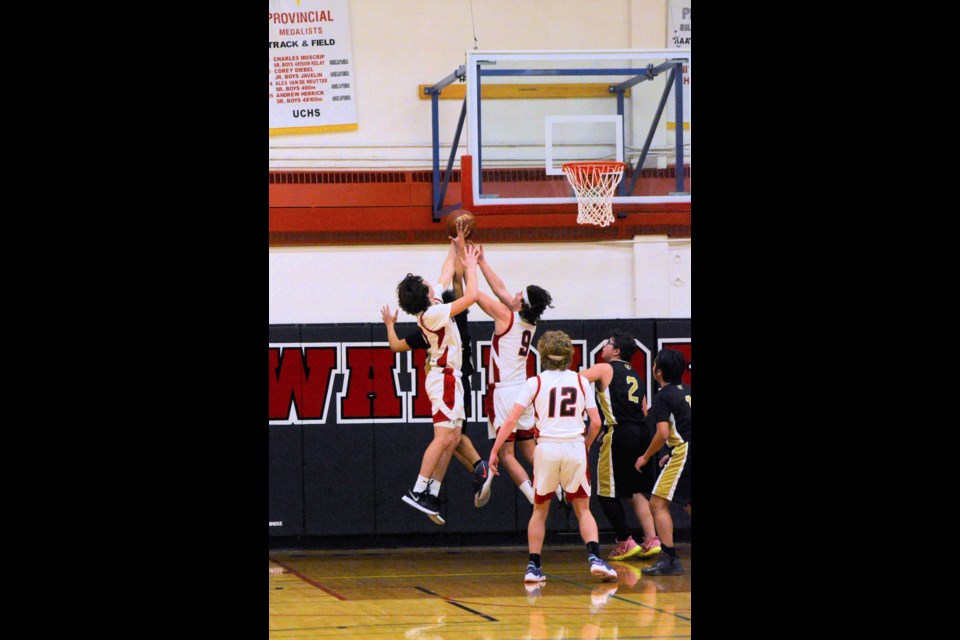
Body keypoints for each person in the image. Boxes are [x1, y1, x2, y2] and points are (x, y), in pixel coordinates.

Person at [488, 330, 618, 583]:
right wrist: (586, 445)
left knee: (539, 510)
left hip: (546, 448)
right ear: (569, 355)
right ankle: (594, 558)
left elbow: (511, 420)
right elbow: (595, 422)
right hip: (574, 447)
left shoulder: (534, 382)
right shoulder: (581, 381)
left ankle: (534, 567)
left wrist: (494, 451)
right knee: (583, 509)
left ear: (543, 355)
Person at [380, 243, 493, 509]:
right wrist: (471, 265)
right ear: (425, 292)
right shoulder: (433, 314)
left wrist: (454, 248)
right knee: (443, 438)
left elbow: (444, 274)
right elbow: (473, 296)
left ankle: (430, 494)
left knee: (453, 437)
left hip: (448, 378)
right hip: (445, 379)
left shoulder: (434, 306)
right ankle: (418, 490)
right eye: (426, 282)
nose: (432, 282)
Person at [474, 243, 554, 506]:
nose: (516, 292)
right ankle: (559, 485)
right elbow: (500, 289)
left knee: (507, 455)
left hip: (505, 392)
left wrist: (468, 265)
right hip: (524, 390)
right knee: (530, 450)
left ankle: (533, 495)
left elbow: (477, 295)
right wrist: (482, 261)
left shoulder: (505, 316)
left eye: (521, 292)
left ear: (522, 302)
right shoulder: (528, 320)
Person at [581, 330, 661, 561]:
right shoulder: (636, 375)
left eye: (607, 344)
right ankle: (651, 539)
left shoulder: (605, 368)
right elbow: (645, 410)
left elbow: (575, 379)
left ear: (616, 351)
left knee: (605, 492)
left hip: (620, 434)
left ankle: (624, 540)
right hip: (642, 433)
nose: (603, 347)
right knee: (635, 491)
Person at [634, 348, 691, 575]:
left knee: (657, 503)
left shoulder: (662, 396)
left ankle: (670, 558)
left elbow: (662, 434)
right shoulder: (686, 391)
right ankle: (670, 558)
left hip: (685, 451)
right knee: (687, 502)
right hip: (685, 449)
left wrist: (646, 456)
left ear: (658, 371)